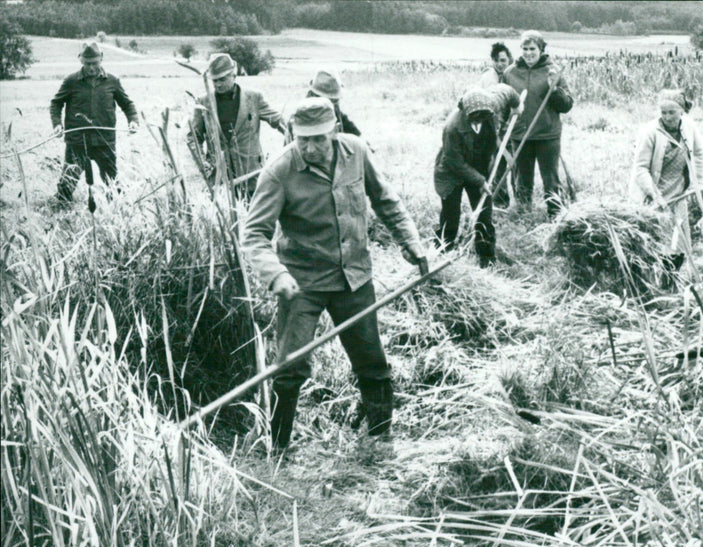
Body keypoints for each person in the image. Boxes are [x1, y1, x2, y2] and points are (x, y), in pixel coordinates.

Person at [242, 97, 424, 450]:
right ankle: (278, 448)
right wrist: (276, 274)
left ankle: (379, 440)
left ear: (336, 132)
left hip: (354, 277)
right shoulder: (279, 170)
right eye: (302, 139)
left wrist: (411, 242)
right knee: (290, 367)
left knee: (372, 361)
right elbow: (253, 235)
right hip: (301, 285)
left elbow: (386, 200)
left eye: (318, 139)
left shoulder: (357, 152)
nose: (309, 147)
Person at [187, 53, 287, 201]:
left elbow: (279, 121)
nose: (218, 84)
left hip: (252, 173)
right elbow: (193, 138)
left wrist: (292, 145)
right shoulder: (203, 102)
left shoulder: (254, 98)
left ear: (234, 75)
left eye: (222, 79)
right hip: (219, 177)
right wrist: (204, 165)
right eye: (214, 81)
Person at [50, 42, 139, 203]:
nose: (91, 68)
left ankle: (116, 210)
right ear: (81, 60)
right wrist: (57, 123)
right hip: (77, 140)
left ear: (101, 59)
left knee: (112, 183)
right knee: (67, 183)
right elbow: (56, 103)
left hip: (104, 140)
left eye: (95, 63)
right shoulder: (71, 81)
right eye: (87, 63)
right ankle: (61, 207)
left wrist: (133, 121)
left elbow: (128, 104)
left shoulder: (112, 81)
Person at [502, 30, 573, 219]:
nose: (528, 53)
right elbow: (503, 103)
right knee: (522, 181)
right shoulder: (510, 73)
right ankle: (524, 216)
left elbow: (566, 106)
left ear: (541, 49)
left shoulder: (553, 71)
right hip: (520, 135)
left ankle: (556, 216)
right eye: (524, 49)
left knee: (551, 181)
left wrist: (554, 89)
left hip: (547, 136)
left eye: (532, 48)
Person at [629, 89, 703, 257]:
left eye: (672, 112)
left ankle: (675, 273)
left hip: (678, 193)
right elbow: (640, 168)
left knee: (678, 244)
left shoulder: (689, 127)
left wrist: (697, 183)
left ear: (682, 112)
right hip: (652, 194)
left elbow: (699, 153)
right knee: (654, 242)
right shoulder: (650, 132)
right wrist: (655, 195)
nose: (667, 116)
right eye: (664, 112)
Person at [433, 88, 497, 267]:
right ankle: (443, 256)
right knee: (451, 217)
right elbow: (455, 162)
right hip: (451, 173)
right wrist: (480, 180)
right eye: (475, 115)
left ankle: (487, 260)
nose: (479, 118)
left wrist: (488, 172)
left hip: (478, 169)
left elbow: (492, 144)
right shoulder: (452, 127)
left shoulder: (489, 116)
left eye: (483, 115)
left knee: (484, 216)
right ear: (466, 112)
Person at [485, 83, 522, 208]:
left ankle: (520, 202)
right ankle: (499, 202)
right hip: (497, 136)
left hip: (515, 134)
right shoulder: (491, 111)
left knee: (517, 169)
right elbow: (493, 135)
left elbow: (518, 109)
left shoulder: (511, 96)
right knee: (497, 168)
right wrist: (507, 155)